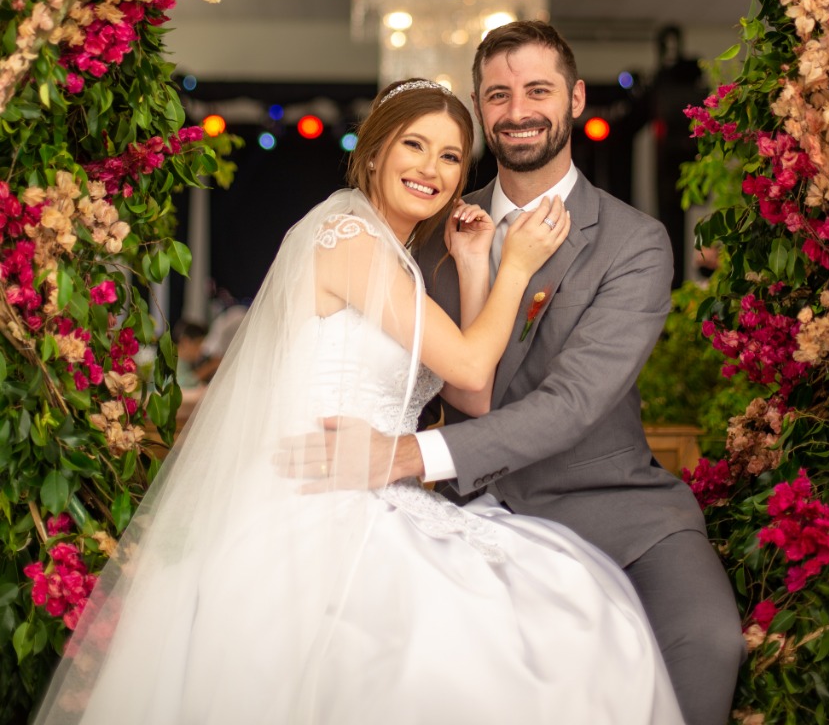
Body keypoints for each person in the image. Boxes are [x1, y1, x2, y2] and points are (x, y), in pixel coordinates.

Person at [33, 78, 684, 725]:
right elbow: (468, 360)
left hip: (378, 485)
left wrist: (472, 263)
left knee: (565, 602)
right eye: (414, 145)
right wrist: (515, 264)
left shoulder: (400, 258)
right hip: (316, 500)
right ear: (374, 152)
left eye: (451, 156)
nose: (431, 168)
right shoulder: (347, 239)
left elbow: (473, 393)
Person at [301, 26, 745, 725]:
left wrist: (411, 454)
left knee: (707, 644)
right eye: (498, 95)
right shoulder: (427, 225)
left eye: (537, 90)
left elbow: (573, 402)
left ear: (573, 99)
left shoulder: (634, 242)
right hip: (460, 513)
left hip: (612, 510)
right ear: (480, 108)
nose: (517, 110)